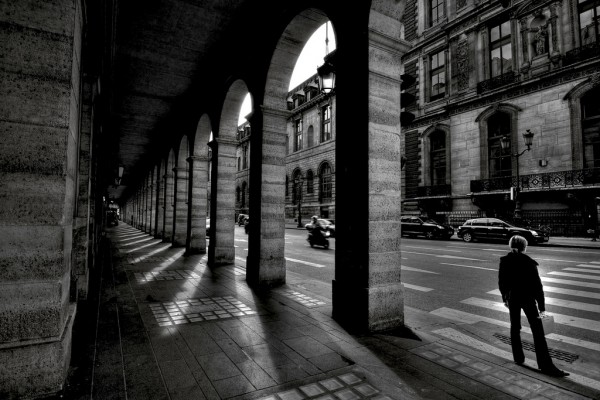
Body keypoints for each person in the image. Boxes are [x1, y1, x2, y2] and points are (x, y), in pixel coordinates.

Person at [498, 235, 569, 377]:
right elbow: (537, 286)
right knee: (537, 331)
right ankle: (545, 365)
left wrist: (505, 298)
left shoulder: (505, 261)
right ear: (524, 247)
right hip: (527, 299)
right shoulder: (529, 262)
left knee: (515, 327)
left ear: (511, 246)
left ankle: (518, 358)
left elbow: (502, 282)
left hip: (513, 298)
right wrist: (542, 307)